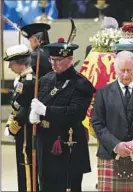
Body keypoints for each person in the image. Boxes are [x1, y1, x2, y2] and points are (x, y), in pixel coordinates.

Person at [29, 37, 96, 192]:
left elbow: (75, 113)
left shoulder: (81, 84)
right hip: (45, 143)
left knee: (67, 186)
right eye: (52, 59)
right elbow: (41, 102)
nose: (54, 64)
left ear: (70, 59)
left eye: (59, 60)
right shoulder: (46, 79)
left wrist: (46, 111)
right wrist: (35, 115)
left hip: (67, 145)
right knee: (45, 184)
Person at [92, 50, 133, 191]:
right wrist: (116, 145)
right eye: (122, 70)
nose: (126, 74)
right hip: (110, 155)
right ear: (115, 69)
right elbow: (97, 123)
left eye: (129, 70)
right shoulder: (103, 93)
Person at [3, 44, 36, 192]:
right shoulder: (23, 79)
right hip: (21, 130)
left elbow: (22, 111)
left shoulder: (28, 82)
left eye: (12, 63)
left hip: (25, 132)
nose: (10, 66)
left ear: (20, 63)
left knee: (25, 165)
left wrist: (12, 128)